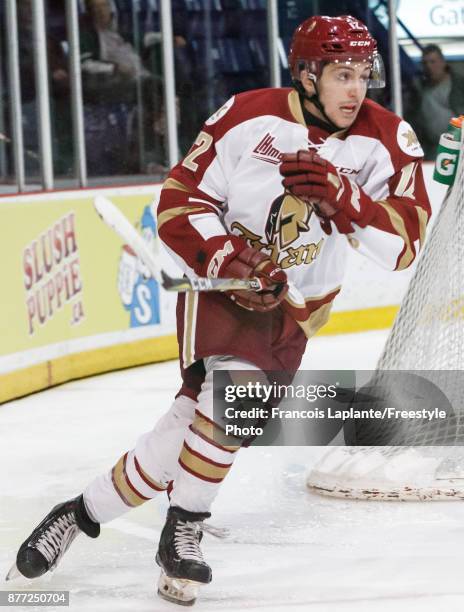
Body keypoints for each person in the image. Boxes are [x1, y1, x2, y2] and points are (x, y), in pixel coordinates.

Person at [7, 15, 431, 606]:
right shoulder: (246, 116)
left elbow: (404, 245)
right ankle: (184, 530)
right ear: (306, 75)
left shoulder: (386, 138)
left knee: (185, 427)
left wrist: (344, 197)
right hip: (225, 291)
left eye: (364, 74)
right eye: (341, 74)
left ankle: (78, 514)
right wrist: (233, 264)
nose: (356, 89)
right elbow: (181, 200)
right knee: (235, 401)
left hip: (299, 309)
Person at [405, 44, 464, 160]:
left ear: (443, 62)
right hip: (432, 149)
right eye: (425, 63)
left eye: (433, 62)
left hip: (458, 147)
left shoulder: (459, 85)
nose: (429, 66)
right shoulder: (420, 89)